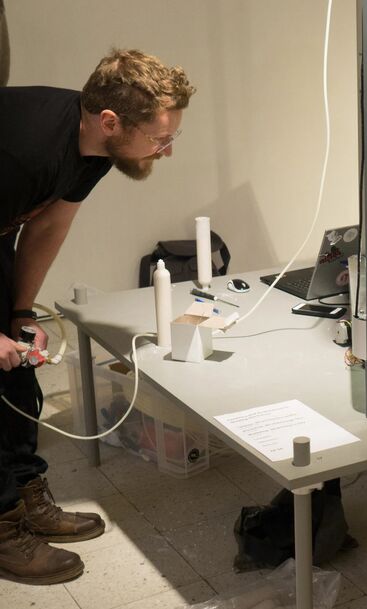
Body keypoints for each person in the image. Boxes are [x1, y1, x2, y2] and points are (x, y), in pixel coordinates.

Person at [0, 48, 195, 584]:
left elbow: (46, 228)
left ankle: (25, 492)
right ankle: (1, 526)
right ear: (110, 121)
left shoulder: (94, 150)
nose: (166, 151)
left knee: (16, 368)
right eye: (160, 138)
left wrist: (18, 311)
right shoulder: (25, 150)